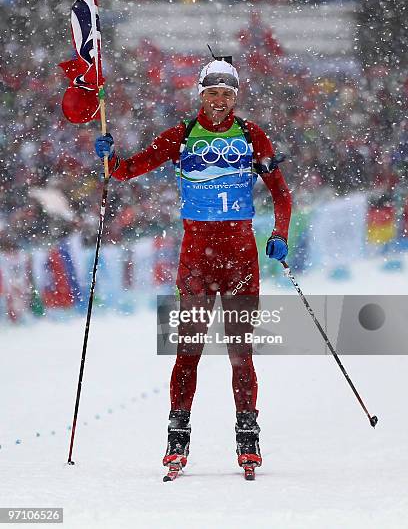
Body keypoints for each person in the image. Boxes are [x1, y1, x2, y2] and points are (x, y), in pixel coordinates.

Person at [95, 57, 292, 478]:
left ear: (235, 96)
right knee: (189, 352)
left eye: (226, 93)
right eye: (212, 93)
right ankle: (177, 438)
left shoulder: (251, 135)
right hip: (196, 262)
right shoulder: (182, 136)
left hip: (241, 259)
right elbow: (128, 170)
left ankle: (248, 438)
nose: (219, 100)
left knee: (241, 353)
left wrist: (280, 234)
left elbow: (281, 194)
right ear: (200, 95)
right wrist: (108, 156)